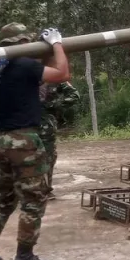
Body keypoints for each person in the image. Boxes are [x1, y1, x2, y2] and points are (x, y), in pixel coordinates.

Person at [0, 23, 69, 260]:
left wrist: (47, 50)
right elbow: (62, 74)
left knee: (5, 198)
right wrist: (57, 43)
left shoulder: (4, 67)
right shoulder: (23, 65)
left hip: (2, 140)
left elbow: (43, 71)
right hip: (23, 141)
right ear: (21, 42)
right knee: (35, 197)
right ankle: (24, 257)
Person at [38, 70, 81, 201]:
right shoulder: (26, 73)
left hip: (46, 126)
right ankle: (27, 190)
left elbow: (74, 95)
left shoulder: (56, 77)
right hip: (25, 123)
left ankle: (45, 190)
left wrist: (55, 105)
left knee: (49, 157)